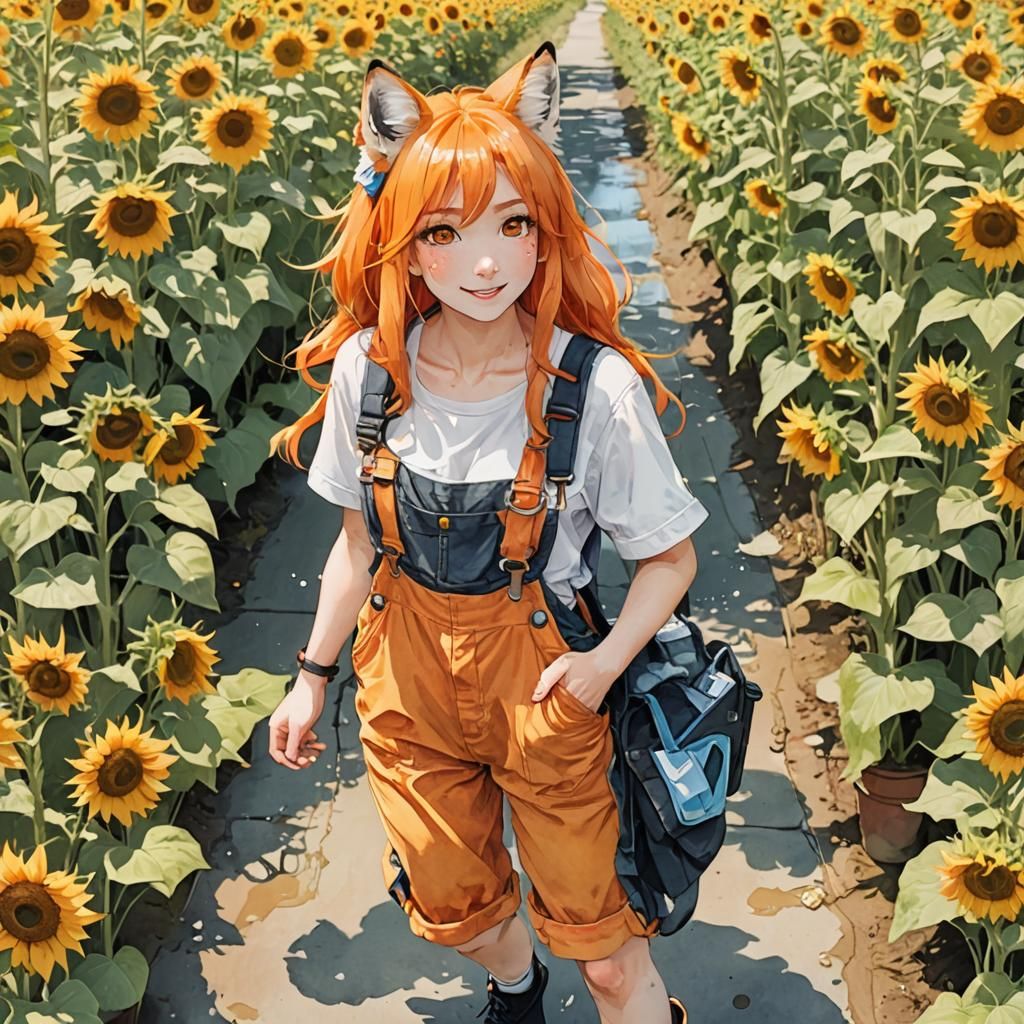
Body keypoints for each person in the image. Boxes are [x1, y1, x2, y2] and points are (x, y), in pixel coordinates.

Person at [267, 42, 709, 1024]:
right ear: (403, 239)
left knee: (607, 956)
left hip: (547, 682)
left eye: (513, 225)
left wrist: (603, 666)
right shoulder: (368, 373)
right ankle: (514, 984)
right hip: (405, 680)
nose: (483, 262)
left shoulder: (592, 387)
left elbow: (669, 558)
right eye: (445, 230)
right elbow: (356, 547)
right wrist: (311, 677)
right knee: (456, 910)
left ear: (544, 230)